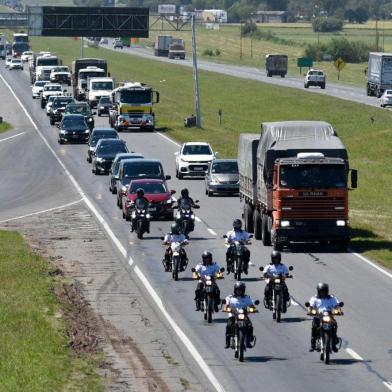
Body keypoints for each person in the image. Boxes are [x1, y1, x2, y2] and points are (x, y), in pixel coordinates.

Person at [307, 283, 342, 352]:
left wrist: (339, 311)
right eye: (321, 291)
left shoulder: (332, 298)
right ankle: (312, 344)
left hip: (329, 315)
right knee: (314, 326)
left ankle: (334, 343)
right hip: (318, 316)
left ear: (327, 291)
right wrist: (309, 311)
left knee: (334, 324)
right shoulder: (314, 298)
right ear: (318, 291)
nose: (322, 293)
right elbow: (310, 306)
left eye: (324, 291)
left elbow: (337, 305)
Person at [224, 282, 255, 349]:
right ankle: (227, 342)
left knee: (249, 326)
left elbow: (251, 305)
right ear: (235, 290)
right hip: (233, 315)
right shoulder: (230, 297)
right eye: (238, 290)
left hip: (244, 316)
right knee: (229, 326)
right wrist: (227, 309)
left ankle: (248, 341)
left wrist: (253, 309)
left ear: (243, 290)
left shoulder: (247, 298)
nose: (239, 291)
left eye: (240, 290)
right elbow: (226, 306)